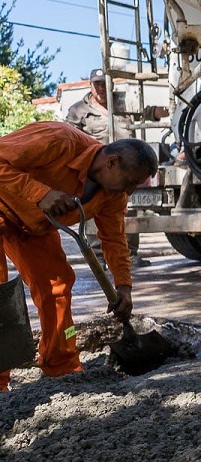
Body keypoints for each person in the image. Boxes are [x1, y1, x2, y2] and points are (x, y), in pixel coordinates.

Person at [0, 121, 159, 392]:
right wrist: (41, 193)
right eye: (129, 182)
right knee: (0, 293)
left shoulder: (113, 195)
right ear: (111, 162)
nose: (129, 192)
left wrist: (123, 286)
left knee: (58, 285)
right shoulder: (58, 140)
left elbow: (114, 239)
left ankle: (61, 367)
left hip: (32, 226)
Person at [65, 68, 169, 267]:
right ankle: (98, 256)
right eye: (97, 84)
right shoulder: (78, 110)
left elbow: (145, 111)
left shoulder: (123, 102)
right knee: (93, 211)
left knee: (127, 211)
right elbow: (71, 138)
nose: (101, 88)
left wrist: (160, 111)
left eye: (104, 84)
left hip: (127, 168)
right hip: (100, 170)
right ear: (90, 85)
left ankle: (130, 254)